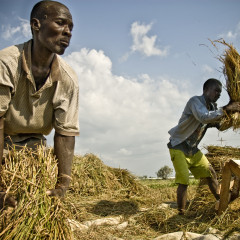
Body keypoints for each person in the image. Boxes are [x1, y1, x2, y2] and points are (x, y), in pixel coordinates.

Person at [0, 0, 79, 208]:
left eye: (71, 27)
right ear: (36, 25)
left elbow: (66, 133)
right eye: (61, 23)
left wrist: (62, 185)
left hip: (35, 154)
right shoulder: (6, 63)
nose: (68, 32)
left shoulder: (68, 78)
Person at [167, 78, 240, 215]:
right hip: (179, 146)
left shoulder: (212, 108)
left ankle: (221, 202)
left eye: (220, 92)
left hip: (192, 149)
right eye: (216, 91)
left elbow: (220, 126)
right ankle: (181, 213)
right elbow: (204, 117)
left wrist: (234, 117)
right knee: (184, 180)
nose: (218, 94)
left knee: (210, 173)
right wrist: (226, 108)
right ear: (206, 90)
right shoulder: (195, 102)